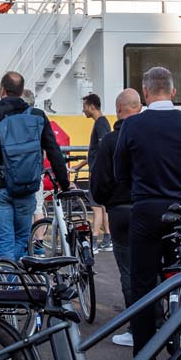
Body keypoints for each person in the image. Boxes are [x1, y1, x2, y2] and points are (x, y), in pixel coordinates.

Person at [106, 68, 181, 360]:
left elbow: (119, 173)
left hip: (145, 214)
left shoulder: (133, 125)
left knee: (143, 290)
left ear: (146, 92)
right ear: (173, 91)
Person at [0, 71, 69, 261]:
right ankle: (16, 283)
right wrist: (64, 183)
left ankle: (9, 284)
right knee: (22, 239)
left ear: (2, 90)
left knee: (4, 241)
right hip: (27, 186)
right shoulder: (37, 115)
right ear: (21, 91)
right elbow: (54, 151)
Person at [88, 88, 142, 346]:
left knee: (129, 272)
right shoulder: (149, 136)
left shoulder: (110, 140)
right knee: (153, 269)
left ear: (119, 110)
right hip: (151, 209)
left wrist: (106, 200)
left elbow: (98, 185)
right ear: (139, 108)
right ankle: (162, 319)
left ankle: (137, 329)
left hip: (121, 212)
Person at [83, 94, 112, 246]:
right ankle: (107, 237)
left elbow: (102, 148)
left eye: (85, 106)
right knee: (103, 206)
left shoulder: (100, 123)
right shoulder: (102, 122)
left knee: (96, 207)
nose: (83, 110)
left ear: (92, 106)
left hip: (97, 172)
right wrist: (81, 165)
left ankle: (94, 239)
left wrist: (96, 170)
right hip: (100, 170)